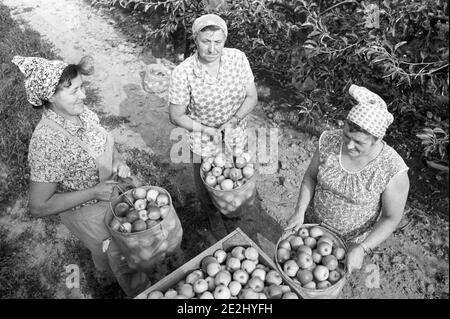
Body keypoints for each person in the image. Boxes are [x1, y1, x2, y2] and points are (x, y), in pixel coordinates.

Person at [12, 55, 149, 297]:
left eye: (81, 87)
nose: (83, 96)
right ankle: (140, 290)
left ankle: (105, 272)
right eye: (73, 90)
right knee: (121, 253)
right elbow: (38, 206)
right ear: (50, 97)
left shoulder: (82, 112)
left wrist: (118, 161)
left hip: (110, 195)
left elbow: (104, 142)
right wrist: (94, 192)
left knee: (108, 250)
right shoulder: (47, 142)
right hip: (88, 212)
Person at [286, 84, 410, 274]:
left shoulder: (392, 170)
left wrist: (363, 248)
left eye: (359, 142)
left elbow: (391, 218)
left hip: (350, 243)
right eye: (346, 136)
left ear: (377, 140)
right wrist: (299, 211)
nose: (349, 146)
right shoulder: (330, 141)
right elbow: (310, 177)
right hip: (312, 228)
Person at [168, 14, 258, 239]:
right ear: (195, 39)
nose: (212, 48)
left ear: (225, 39)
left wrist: (234, 120)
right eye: (205, 41)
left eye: (217, 41)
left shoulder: (238, 59)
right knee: (206, 185)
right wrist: (205, 129)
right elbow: (176, 115)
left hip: (235, 133)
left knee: (235, 179)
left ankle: (232, 216)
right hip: (203, 139)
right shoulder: (184, 72)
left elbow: (251, 97)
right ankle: (212, 215)